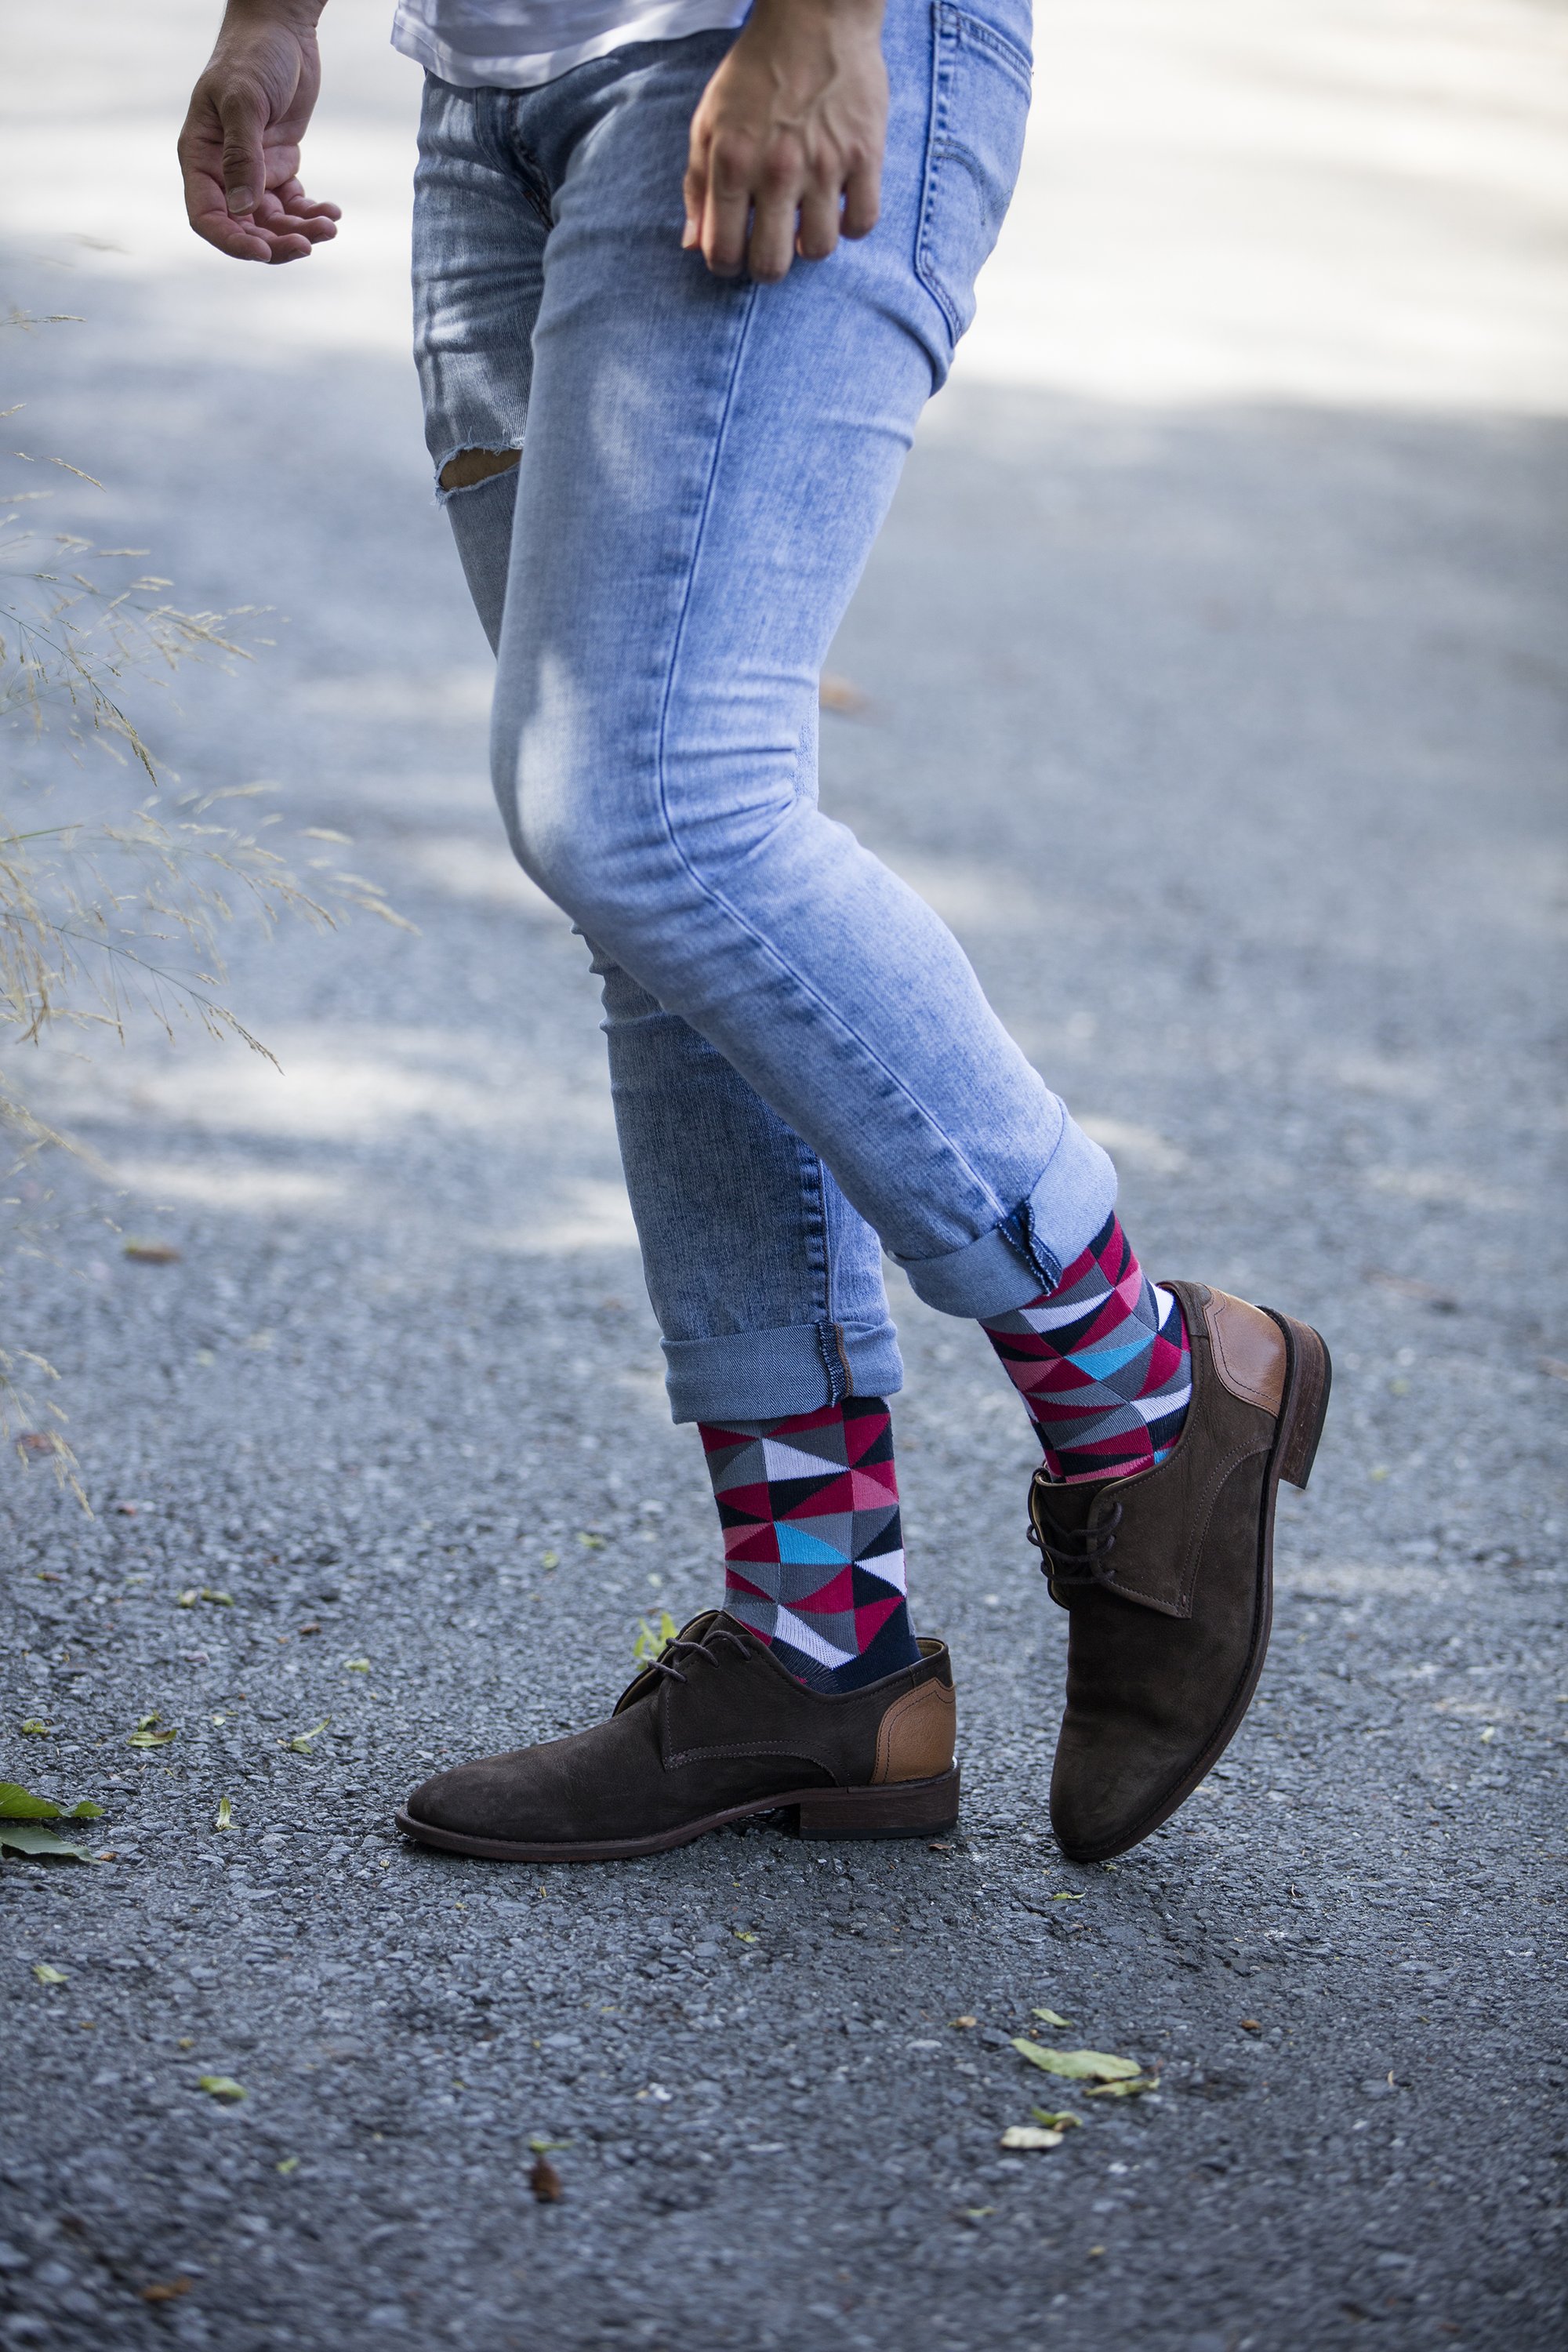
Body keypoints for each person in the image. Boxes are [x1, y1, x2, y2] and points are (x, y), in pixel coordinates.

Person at [179, 0, 1330, 1867]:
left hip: (738, 42)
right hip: (492, 104)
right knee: (654, 903)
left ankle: (1135, 1375)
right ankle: (822, 1640)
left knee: (641, 801)